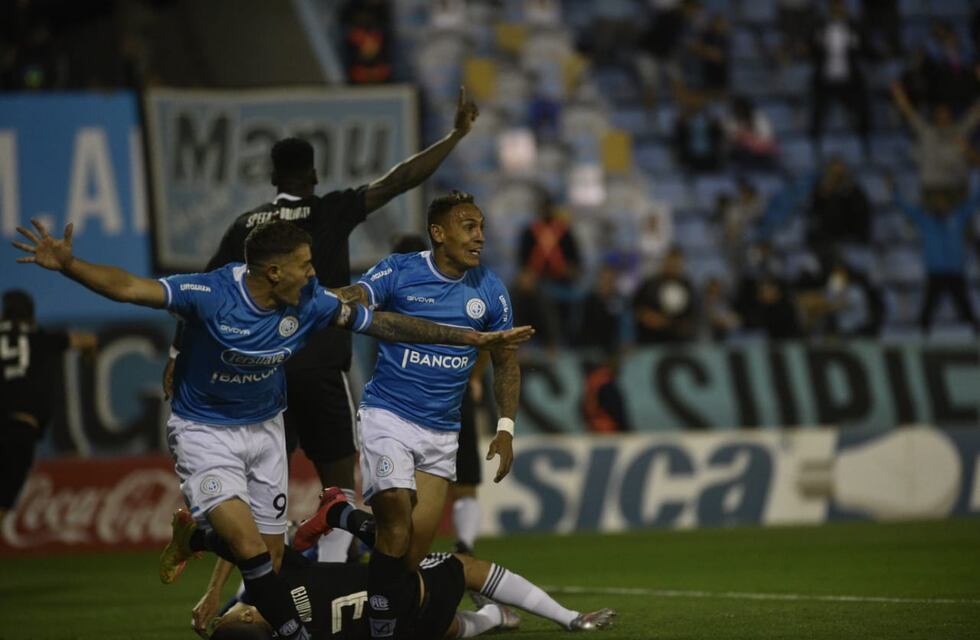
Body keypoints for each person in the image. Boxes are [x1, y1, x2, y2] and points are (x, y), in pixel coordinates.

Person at [12, 218, 532, 640]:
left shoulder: (311, 303)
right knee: (254, 551)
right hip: (205, 431)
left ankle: (196, 535)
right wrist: (69, 265)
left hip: (265, 431)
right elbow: (130, 287)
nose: (315, 275)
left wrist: (468, 337)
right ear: (274, 271)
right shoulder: (210, 293)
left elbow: (388, 324)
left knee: (273, 554)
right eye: (306, 267)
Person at [167, 87, 480, 627]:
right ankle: (342, 590)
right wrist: (454, 136)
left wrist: (176, 352)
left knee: (249, 505)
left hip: (264, 377)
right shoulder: (332, 209)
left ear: (273, 179)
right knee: (341, 490)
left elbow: (203, 294)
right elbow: (400, 180)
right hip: (320, 370)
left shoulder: (247, 227)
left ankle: (236, 595)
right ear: (312, 176)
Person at [335, 191, 523, 639]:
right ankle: (381, 628)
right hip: (389, 417)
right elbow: (358, 294)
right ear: (438, 233)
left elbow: (506, 361)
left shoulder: (491, 289)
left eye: (481, 227)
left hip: (442, 433)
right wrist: (323, 298)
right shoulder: (401, 271)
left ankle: (344, 528)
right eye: (468, 226)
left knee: (409, 555)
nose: (479, 237)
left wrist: (505, 427)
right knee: (396, 513)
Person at [171, 489, 614, 639]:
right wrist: (198, 539)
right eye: (231, 613)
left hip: (406, 626)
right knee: (466, 566)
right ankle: (570, 618)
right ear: (248, 614)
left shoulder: (293, 628)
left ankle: (493, 616)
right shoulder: (276, 587)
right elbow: (243, 547)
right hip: (404, 588)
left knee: (446, 629)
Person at [0, 290, 96, 525]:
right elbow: (88, 340)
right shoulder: (40, 338)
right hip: (22, 428)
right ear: (30, 315)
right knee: (3, 502)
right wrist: (88, 356)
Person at [890, 184, 980, 334]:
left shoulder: (958, 217)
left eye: (943, 202)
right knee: (929, 304)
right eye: (938, 202)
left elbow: (973, 203)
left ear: (949, 203)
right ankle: (922, 333)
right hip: (935, 270)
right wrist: (894, 192)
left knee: (964, 303)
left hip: (955, 270)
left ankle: (975, 333)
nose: (941, 205)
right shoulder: (926, 220)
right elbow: (906, 208)